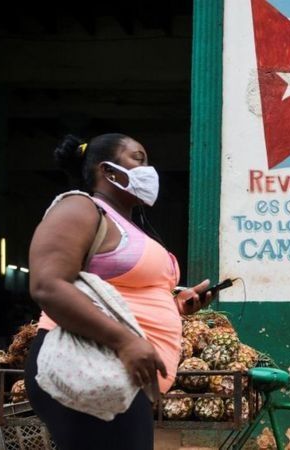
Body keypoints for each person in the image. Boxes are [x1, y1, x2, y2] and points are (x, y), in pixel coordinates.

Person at [25, 133, 213, 450]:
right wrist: (125, 341)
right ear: (108, 171)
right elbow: (47, 285)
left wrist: (176, 307)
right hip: (90, 361)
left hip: (121, 372)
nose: (148, 170)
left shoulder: (130, 224)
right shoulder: (80, 208)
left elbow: (123, 295)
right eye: (138, 159)